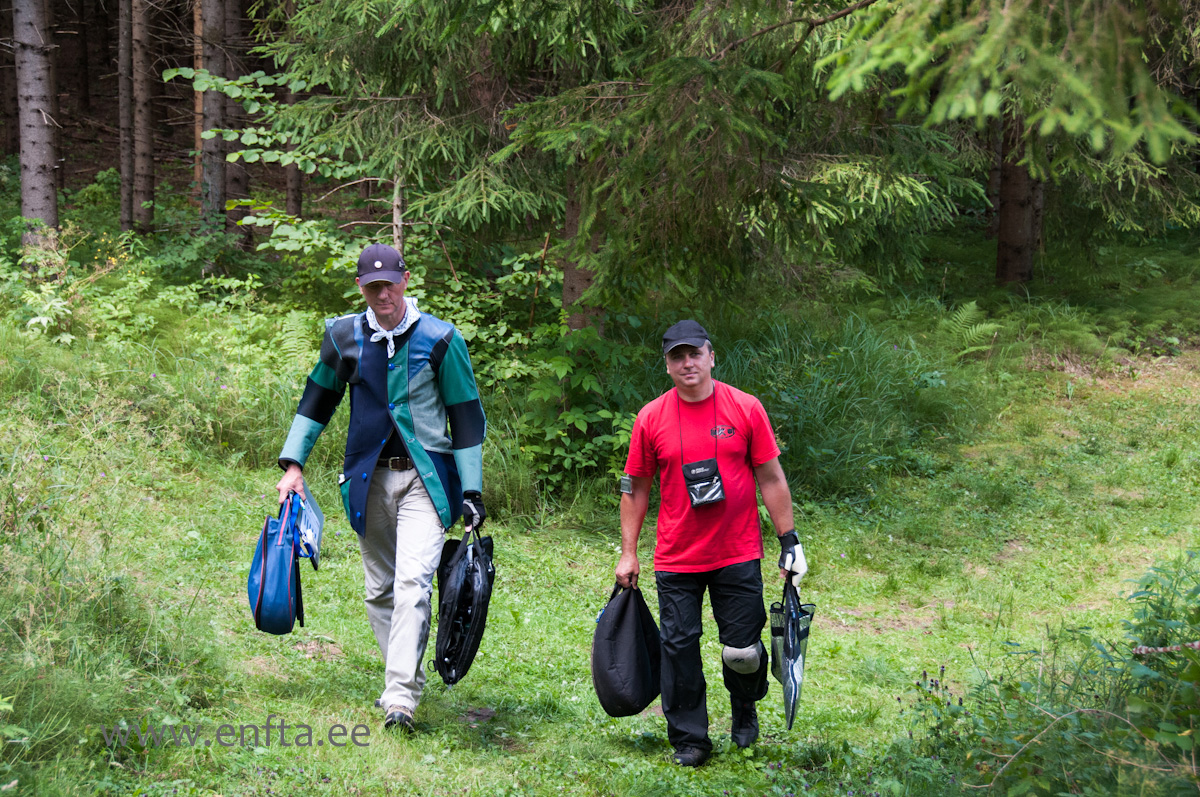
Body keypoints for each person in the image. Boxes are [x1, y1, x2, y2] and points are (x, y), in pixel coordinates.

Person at [275, 243, 487, 733]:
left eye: (390, 283)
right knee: (380, 590)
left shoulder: (440, 338)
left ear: (406, 280)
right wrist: (293, 464)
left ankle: (399, 700)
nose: (383, 293)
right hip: (366, 481)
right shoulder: (344, 335)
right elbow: (317, 401)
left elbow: (467, 418)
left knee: (414, 583)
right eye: (373, 287)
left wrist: (471, 490)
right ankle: (405, 677)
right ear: (360, 289)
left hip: (426, 481)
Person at [615, 319, 808, 767]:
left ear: (711, 356)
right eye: (677, 356)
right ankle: (690, 739)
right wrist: (629, 551)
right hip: (677, 557)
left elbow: (771, 477)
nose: (687, 363)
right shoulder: (651, 418)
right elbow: (636, 486)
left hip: (737, 551)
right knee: (678, 649)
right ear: (666, 365)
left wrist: (789, 541)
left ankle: (744, 706)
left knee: (742, 651)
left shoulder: (745, 408)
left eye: (694, 353)